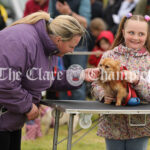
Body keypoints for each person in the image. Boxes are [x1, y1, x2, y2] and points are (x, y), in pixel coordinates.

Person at [0, 11, 99, 150]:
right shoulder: (21, 41)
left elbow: (44, 77)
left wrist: (80, 75)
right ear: (59, 39)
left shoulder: (47, 47)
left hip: (8, 121)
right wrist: (27, 105)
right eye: (71, 46)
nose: (72, 51)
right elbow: (4, 83)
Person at [91, 13, 150, 150]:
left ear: (147, 36)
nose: (136, 37)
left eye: (141, 34)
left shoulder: (149, 60)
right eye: (131, 32)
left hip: (140, 125)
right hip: (112, 124)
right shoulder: (109, 55)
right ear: (123, 32)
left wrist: (136, 80)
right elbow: (95, 83)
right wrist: (103, 94)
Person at [49, 0, 91, 101]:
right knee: (60, 80)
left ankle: (78, 114)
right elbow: (49, 20)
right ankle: (65, 115)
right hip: (59, 44)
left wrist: (69, 12)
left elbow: (85, 23)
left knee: (78, 82)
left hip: (78, 46)